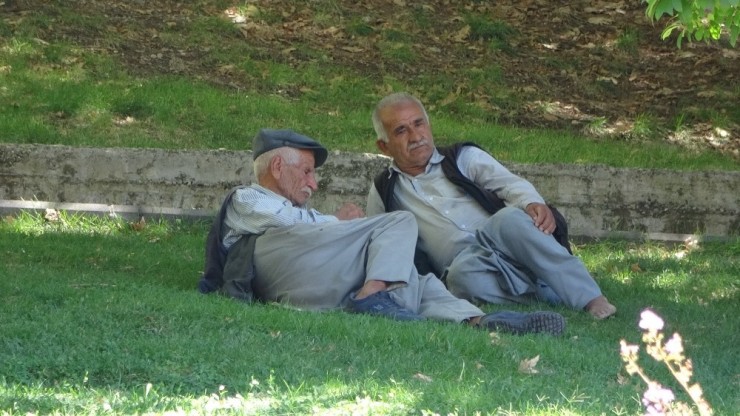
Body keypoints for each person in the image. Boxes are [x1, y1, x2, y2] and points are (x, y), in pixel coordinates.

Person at [208, 127, 566, 335]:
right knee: (399, 221)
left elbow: (308, 226)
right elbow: (289, 224)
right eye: (306, 171)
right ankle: (372, 296)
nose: (312, 184)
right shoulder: (248, 198)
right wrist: (343, 224)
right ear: (275, 165)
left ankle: (478, 319)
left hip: (317, 281)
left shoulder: (300, 215)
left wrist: (342, 227)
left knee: (414, 279)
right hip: (281, 269)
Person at [366, 92, 616, 319]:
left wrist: (532, 202)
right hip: (467, 263)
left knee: (509, 218)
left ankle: (591, 298)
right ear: (384, 146)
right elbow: (378, 242)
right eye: (401, 130)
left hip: (504, 240)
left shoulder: (461, 157)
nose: (415, 136)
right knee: (460, 279)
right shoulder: (384, 190)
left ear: (429, 125)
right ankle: (545, 291)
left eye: (418, 124)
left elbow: (511, 185)